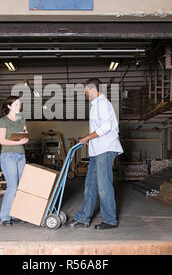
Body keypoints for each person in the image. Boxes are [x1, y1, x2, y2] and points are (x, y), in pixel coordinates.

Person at [67, 78, 124, 230]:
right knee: (90, 186)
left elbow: (106, 126)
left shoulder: (102, 103)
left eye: (86, 90)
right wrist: (89, 141)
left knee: (103, 186)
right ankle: (83, 218)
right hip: (97, 150)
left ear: (92, 89)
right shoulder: (96, 105)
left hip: (105, 150)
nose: (85, 93)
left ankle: (110, 220)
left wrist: (87, 137)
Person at [0, 96, 29, 227]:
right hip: (8, 155)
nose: (19, 106)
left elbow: (26, 136)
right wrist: (18, 141)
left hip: (21, 155)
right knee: (12, 186)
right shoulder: (3, 121)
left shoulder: (22, 119)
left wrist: (25, 140)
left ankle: (15, 215)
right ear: (9, 106)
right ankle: (5, 217)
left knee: (20, 187)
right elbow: (2, 141)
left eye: (20, 104)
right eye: (16, 104)